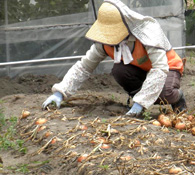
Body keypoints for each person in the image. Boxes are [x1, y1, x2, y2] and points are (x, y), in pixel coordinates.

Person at [42, 0, 186, 116]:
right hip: (141, 70)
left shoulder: (147, 34)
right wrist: (60, 92)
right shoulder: (104, 43)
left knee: (165, 92)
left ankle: (176, 97)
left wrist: (141, 102)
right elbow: (84, 66)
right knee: (119, 70)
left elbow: (160, 69)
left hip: (168, 67)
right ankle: (140, 100)